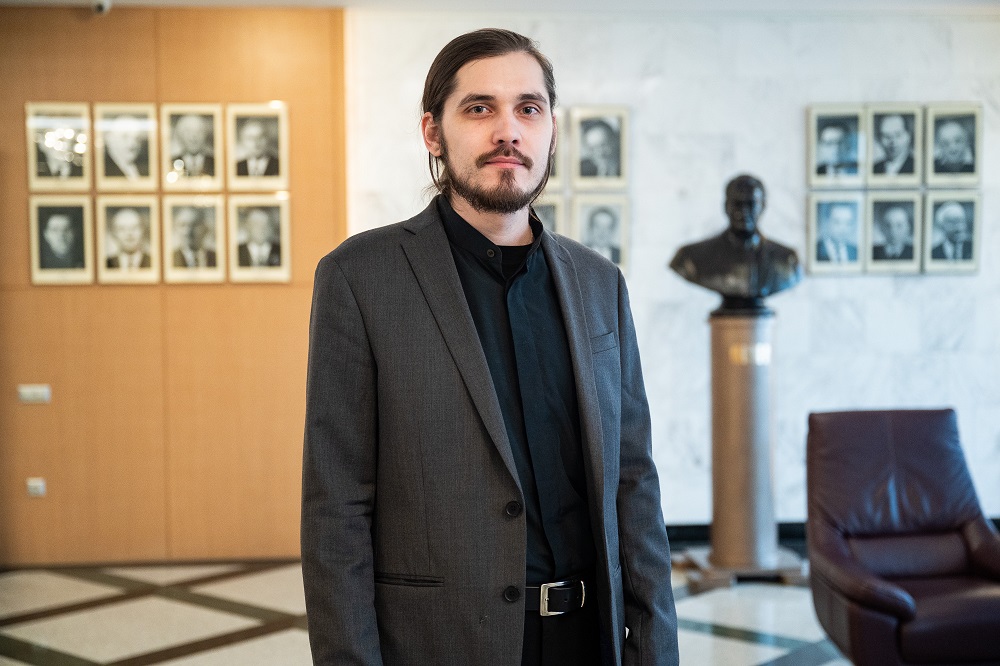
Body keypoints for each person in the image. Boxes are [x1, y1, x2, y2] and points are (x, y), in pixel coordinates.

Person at [302, 28, 679, 666]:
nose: (508, 130)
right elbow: (336, 504)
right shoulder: (360, 277)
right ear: (433, 132)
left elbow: (633, 481)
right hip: (441, 643)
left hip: (588, 639)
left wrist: (655, 648)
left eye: (528, 108)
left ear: (551, 130)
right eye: (480, 108)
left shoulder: (599, 284)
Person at [670, 174, 802, 311]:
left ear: (762, 206)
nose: (743, 212)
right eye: (737, 204)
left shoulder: (788, 260)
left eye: (750, 204)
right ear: (726, 206)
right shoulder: (692, 257)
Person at [103, 115, 149, 180]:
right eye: (125, 137)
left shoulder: (145, 168)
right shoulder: (104, 169)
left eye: (137, 139)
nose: (132, 145)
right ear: (110, 138)